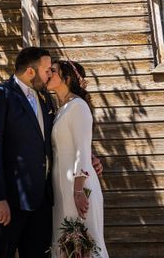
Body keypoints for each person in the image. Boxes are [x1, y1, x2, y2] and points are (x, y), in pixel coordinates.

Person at [0, 46, 55, 257]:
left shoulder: (46, 100)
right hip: (8, 199)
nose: (50, 75)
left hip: (41, 199)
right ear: (30, 71)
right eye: (47, 70)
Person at [47, 60, 108, 258]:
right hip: (62, 187)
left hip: (78, 187)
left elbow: (82, 150)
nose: (49, 73)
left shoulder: (78, 106)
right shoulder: (61, 109)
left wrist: (78, 190)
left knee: (85, 246)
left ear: (67, 78)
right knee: (66, 247)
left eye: (53, 71)